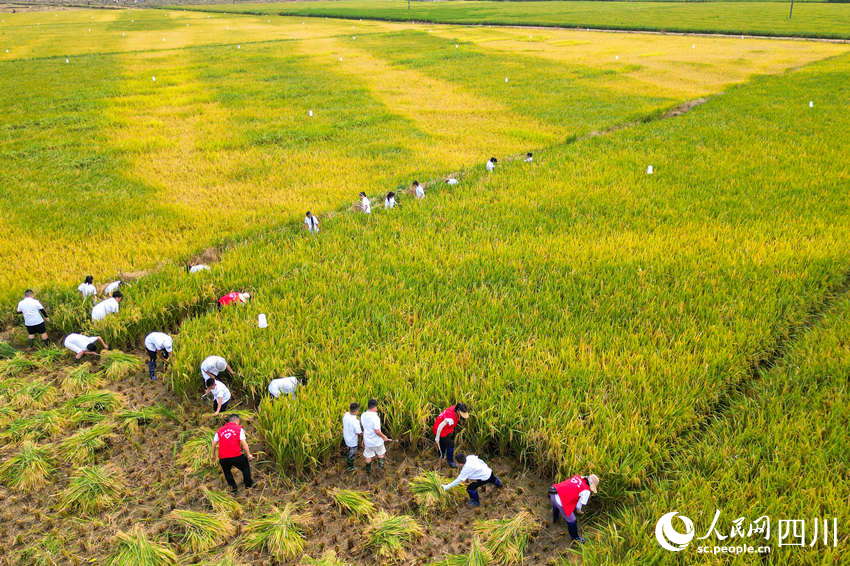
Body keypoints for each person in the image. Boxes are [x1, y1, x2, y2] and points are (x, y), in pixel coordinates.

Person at [550, 473, 599, 544]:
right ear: (591, 485)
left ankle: (555, 519)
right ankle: (575, 538)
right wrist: (579, 511)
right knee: (572, 520)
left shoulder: (578, 477)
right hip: (559, 501)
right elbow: (578, 506)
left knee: (556, 506)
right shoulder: (586, 491)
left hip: (553, 492)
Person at [211, 414, 254, 493]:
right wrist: (248, 454)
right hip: (236, 455)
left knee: (227, 471)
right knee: (245, 468)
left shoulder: (220, 430)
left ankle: (233, 489)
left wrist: (213, 455)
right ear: (237, 421)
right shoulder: (239, 429)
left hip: (223, 457)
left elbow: (214, 443)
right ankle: (248, 485)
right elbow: (244, 443)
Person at [433, 402, 469, 468]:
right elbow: (441, 426)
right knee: (450, 444)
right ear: (458, 411)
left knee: (443, 443)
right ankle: (450, 461)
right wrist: (437, 437)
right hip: (440, 430)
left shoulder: (454, 408)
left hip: (444, 428)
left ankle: (441, 455)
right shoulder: (450, 418)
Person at [361, 398, 391, 473]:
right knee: (381, 453)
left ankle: (368, 472)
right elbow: (377, 431)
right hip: (377, 441)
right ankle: (380, 471)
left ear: (367, 406)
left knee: (368, 456)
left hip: (367, 441)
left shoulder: (363, 415)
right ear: (375, 407)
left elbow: (365, 429)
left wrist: (363, 440)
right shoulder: (375, 418)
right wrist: (384, 437)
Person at [342, 402, 362, 472]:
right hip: (352, 440)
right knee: (352, 453)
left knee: (349, 449)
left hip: (346, 437)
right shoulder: (355, 422)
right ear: (356, 411)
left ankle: (348, 458)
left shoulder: (346, 415)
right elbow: (359, 432)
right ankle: (350, 466)